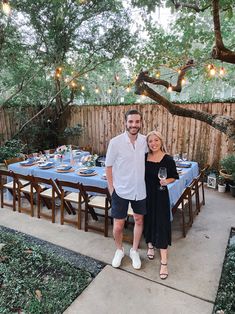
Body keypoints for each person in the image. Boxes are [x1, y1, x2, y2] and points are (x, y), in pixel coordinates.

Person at [105, 109, 147, 270]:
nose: (134, 125)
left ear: (141, 123)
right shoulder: (115, 142)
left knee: (139, 220)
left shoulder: (145, 141)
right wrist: (111, 190)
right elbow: (108, 167)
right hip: (120, 190)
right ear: (125, 122)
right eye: (131, 122)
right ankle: (119, 250)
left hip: (140, 190)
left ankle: (134, 250)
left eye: (137, 122)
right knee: (118, 226)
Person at [144, 130, 178, 279]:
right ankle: (150, 244)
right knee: (148, 220)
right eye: (150, 141)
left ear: (161, 141)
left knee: (162, 224)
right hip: (146, 194)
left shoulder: (168, 159)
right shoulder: (144, 157)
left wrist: (166, 181)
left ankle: (164, 262)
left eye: (156, 140)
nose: (153, 143)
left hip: (161, 194)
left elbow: (174, 177)